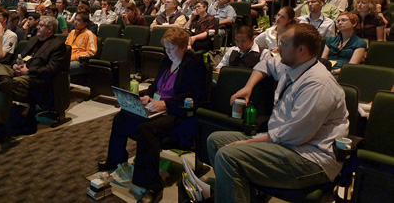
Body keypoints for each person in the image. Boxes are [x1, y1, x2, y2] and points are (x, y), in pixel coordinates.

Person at [208, 23, 348, 203]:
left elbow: (294, 135)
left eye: (283, 44)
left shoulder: (318, 84)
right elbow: (265, 63)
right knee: (215, 141)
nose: (277, 48)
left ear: (300, 49)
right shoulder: (293, 65)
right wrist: (248, 86)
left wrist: (249, 141)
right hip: (285, 143)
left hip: (311, 158)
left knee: (228, 155)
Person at [98, 28, 206, 203]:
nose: (167, 52)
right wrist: (147, 96)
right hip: (156, 106)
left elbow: (195, 96)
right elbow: (156, 86)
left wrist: (166, 103)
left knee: (146, 129)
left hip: (178, 112)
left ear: (183, 47)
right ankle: (115, 159)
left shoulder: (195, 65)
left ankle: (151, 185)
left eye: (171, 48)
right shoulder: (166, 60)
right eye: (166, 48)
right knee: (121, 117)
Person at [0, 16, 68, 147]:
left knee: (3, 87)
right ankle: (7, 80)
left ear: (50, 29)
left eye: (41, 25)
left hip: (33, 78)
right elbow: (19, 56)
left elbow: (51, 70)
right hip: (18, 72)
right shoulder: (34, 40)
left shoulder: (57, 45)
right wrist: (15, 65)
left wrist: (29, 71)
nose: (37, 27)